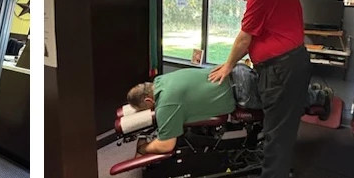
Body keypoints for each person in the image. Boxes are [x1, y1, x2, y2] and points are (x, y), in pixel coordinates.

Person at [208, 0, 311, 178]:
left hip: (282, 71)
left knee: (277, 135)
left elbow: (244, 38)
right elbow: (258, 37)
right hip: (282, 67)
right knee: (277, 130)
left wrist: (229, 65)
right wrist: (231, 62)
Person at [125, 65, 331, 156]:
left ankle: (321, 98)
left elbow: (165, 145)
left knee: (286, 102)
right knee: (282, 91)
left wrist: (144, 147)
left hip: (242, 92)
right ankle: (314, 93)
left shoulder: (166, 103)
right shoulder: (162, 80)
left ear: (149, 99)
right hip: (237, 73)